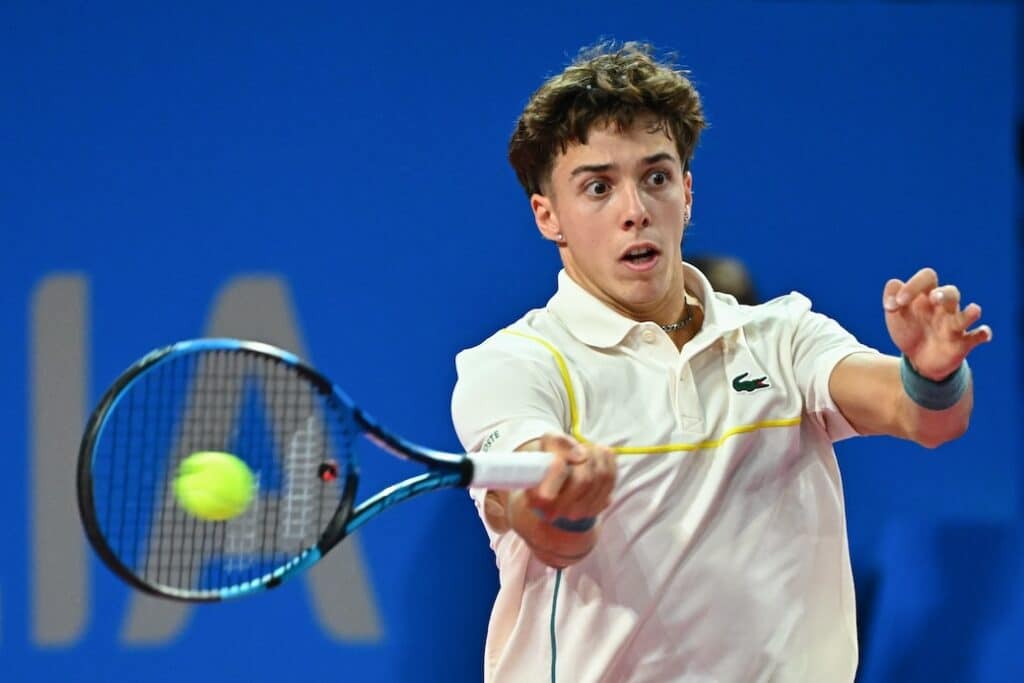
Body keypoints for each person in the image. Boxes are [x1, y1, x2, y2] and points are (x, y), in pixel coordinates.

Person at [450, 42, 991, 682]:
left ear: (687, 190)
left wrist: (931, 372)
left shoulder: (782, 336)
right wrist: (567, 498)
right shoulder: (514, 366)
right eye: (598, 187)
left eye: (656, 177)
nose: (635, 210)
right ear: (549, 216)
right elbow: (543, 528)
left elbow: (926, 418)